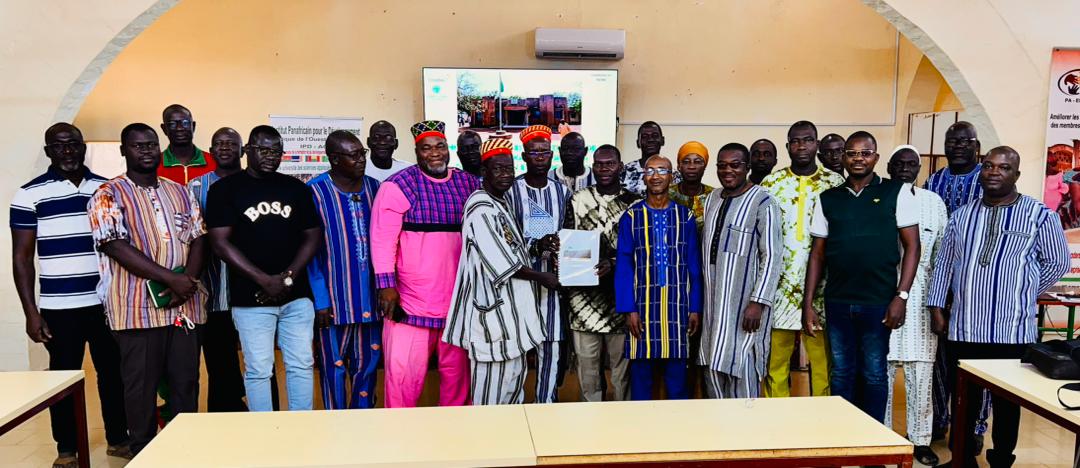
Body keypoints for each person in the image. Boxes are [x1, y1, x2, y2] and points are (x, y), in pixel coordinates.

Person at [929, 146, 1069, 467]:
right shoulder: (962, 215)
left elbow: (1057, 262)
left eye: (1004, 168)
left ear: (1016, 175)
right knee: (963, 399)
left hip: (1011, 329)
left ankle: (1002, 459)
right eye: (989, 166)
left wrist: (1022, 290)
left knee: (1007, 402)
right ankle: (963, 458)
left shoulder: (1039, 215)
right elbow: (945, 263)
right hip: (965, 325)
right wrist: (936, 307)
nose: (994, 172)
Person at [11, 123, 129, 466]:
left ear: (83, 147)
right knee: (63, 379)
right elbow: (21, 258)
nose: (67, 151)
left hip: (106, 302)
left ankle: (118, 439)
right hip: (58, 307)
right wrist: (31, 312)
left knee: (113, 373)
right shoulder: (29, 194)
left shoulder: (105, 189)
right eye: (59, 146)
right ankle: (67, 449)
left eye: (73, 144)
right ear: (48, 151)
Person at [86, 123, 207, 455]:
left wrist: (187, 281)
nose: (146, 151)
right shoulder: (108, 193)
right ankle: (143, 452)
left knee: (185, 383)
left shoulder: (180, 191)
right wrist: (171, 279)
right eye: (138, 146)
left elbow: (199, 237)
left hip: (184, 307)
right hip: (136, 309)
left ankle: (183, 451)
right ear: (123, 151)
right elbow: (113, 244)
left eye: (152, 144)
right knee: (141, 387)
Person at [803, 131, 920, 423]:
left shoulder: (896, 192)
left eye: (865, 153)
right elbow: (817, 254)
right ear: (843, 158)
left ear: (876, 158)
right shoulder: (829, 198)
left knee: (874, 373)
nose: (858, 159)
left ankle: (873, 439)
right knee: (841, 373)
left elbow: (913, 247)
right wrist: (808, 303)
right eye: (852, 153)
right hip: (838, 301)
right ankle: (843, 435)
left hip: (879, 302)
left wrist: (901, 296)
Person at [206, 125, 322, 412]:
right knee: (259, 368)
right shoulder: (224, 190)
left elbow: (313, 236)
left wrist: (287, 277)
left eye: (277, 151)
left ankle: (302, 426)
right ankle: (262, 431)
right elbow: (220, 243)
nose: (271, 156)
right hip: (250, 298)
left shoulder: (296, 188)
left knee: (301, 364)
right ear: (247, 150)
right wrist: (264, 280)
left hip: (296, 295)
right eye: (264, 150)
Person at [371, 120, 478, 408]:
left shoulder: (469, 185)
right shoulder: (397, 186)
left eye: (440, 146)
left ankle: (455, 433)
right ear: (416, 151)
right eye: (426, 148)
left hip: (458, 303)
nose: (435, 153)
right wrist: (386, 287)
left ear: (448, 149)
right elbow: (382, 241)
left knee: (458, 381)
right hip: (410, 303)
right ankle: (400, 433)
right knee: (403, 380)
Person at [443, 138, 556, 405]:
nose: (506, 174)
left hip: (512, 322)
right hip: (493, 321)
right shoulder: (480, 207)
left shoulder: (499, 202)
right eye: (498, 169)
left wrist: (538, 245)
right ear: (484, 172)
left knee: (513, 397)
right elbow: (504, 264)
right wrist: (544, 278)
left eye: (509, 168)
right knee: (489, 403)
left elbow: (512, 246)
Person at [760, 121, 843, 398]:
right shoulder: (771, 184)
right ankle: (777, 419)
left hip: (821, 290)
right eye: (795, 141)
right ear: (787, 147)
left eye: (807, 140)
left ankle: (821, 420)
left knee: (822, 367)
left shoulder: (834, 183)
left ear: (816, 144)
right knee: (775, 365)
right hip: (779, 289)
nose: (801, 146)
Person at [923, 121, 990, 445]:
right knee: (938, 359)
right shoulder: (933, 181)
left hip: (975, 288)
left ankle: (974, 427)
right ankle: (940, 419)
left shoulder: (987, 180)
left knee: (975, 362)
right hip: (938, 283)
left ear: (977, 146)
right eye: (953, 141)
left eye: (965, 141)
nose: (958, 146)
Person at [698, 143, 782, 399]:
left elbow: (772, 255)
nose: (728, 171)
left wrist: (758, 302)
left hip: (744, 308)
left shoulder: (763, 201)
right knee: (712, 366)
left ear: (747, 167)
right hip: (712, 307)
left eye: (735, 165)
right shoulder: (712, 199)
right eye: (722, 166)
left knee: (743, 367)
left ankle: (747, 425)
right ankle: (717, 424)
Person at [615, 155, 702, 400]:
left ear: (672, 177)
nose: (656, 176)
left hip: (678, 308)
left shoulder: (685, 217)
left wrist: (695, 307)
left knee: (678, 381)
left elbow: (694, 266)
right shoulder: (631, 217)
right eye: (650, 171)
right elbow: (624, 266)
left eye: (662, 171)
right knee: (641, 379)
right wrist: (628, 309)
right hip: (642, 309)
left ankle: (676, 424)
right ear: (643, 177)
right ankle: (641, 425)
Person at [881, 145, 947, 466]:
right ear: (889, 167)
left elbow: (942, 259)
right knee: (880, 371)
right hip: (882, 294)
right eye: (899, 163)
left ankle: (920, 440)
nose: (905, 168)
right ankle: (880, 437)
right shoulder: (877, 197)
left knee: (921, 373)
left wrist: (938, 306)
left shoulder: (933, 203)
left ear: (920, 169)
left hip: (922, 300)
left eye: (912, 163)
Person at [307, 130, 382, 409]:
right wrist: (320, 299)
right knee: (333, 369)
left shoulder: (376, 189)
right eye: (353, 155)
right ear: (334, 159)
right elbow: (310, 251)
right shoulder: (314, 192)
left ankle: (364, 426)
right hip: (333, 302)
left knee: (368, 368)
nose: (361, 159)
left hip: (372, 299)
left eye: (362, 153)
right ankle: (335, 427)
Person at [563, 144, 638, 402]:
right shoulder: (578, 200)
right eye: (599, 164)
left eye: (610, 164)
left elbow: (643, 251)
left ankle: (621, 423)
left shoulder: (634, 203)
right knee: (588, 373)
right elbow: (570, 245)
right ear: (592, 167)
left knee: (621, 375)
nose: (604, 169)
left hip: (621, 301)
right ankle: (590, 422)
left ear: (620, 167)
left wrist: (614, 263)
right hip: (583, 301)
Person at [507, 124, 571, 403]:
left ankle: (546, 408)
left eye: (545, 152)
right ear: (524, 156)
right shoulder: (511, 190)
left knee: (551, 349)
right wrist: (536, 244)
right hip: (519, 284)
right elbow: (505, 238)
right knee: (517, 351)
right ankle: (515, 410)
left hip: (552, 287)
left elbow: (569, 234)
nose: (540, 157)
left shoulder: (562, 192)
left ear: (552, 155)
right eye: (534, 152)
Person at [187, 128, 247, 412]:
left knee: (259, 360)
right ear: (210, 151)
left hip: (253, 289)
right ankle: (224, 417)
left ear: (242, 150)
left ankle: (264, 417)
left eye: (231, 143)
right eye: (219, 144)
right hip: (213, 289)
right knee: (220, 361)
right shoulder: (196, 187)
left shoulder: (255, 182)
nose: (225, 148)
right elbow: (192, 236)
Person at [158, 104, 214, 184]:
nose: (179, 128)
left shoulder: (214, 162)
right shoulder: (155, 165)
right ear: (164, 129)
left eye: (185, 123)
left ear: (193, 126)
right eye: (172, 124)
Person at [620, 121, 680, 195]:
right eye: (645, 137)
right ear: (638, 143)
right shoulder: (625, 172)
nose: (650, 140)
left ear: (662, 140)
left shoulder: (674, 175)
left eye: (655, 135)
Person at [669, 141, 714, 232]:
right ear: (679, 166)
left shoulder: (714, 196)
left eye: (697, 162)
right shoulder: (667, 194)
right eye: (686, 162)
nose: (692, 166)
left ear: (704, 166)